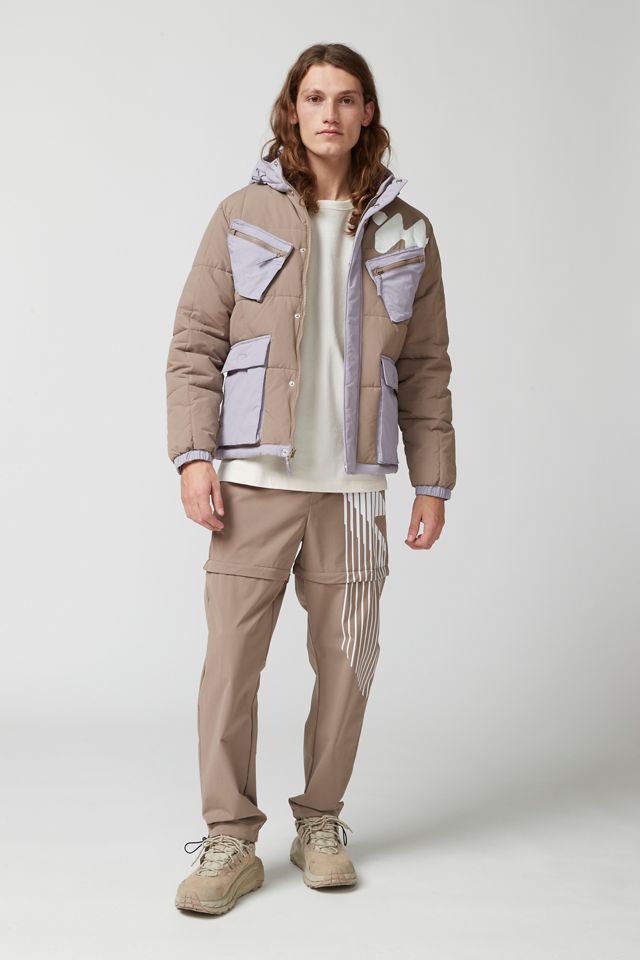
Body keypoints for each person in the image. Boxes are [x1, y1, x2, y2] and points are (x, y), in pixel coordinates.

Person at [165, 42, 456, 916]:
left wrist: (433, 481)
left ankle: (320, 821)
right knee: (231, 667)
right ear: (292, 110)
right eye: (315, 97)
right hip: (253, 479)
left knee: (347, 664)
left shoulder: (409, 231)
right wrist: (193, 457)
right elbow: (194, 345)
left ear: (368, 115)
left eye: (347, 98)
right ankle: (230, 838)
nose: (330, 112)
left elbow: (429, 366)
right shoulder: (241, 214)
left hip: (356, 489)